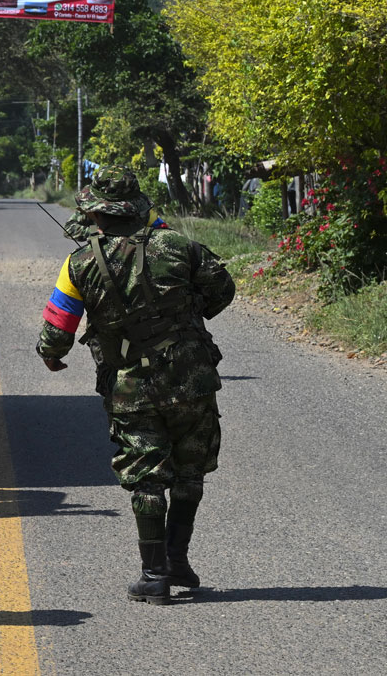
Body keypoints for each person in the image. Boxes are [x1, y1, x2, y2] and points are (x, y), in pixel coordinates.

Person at [34, 164, 235, 605]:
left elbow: (58, 328)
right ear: (138, 210)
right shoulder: (181, 246)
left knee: (146, 479)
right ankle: (178, 558)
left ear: (97, 216)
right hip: (192, 379)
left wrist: (51, 357)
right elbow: (223, 289)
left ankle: (154, 574)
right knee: (190, 471)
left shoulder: (79, 263)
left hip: (130, 386)